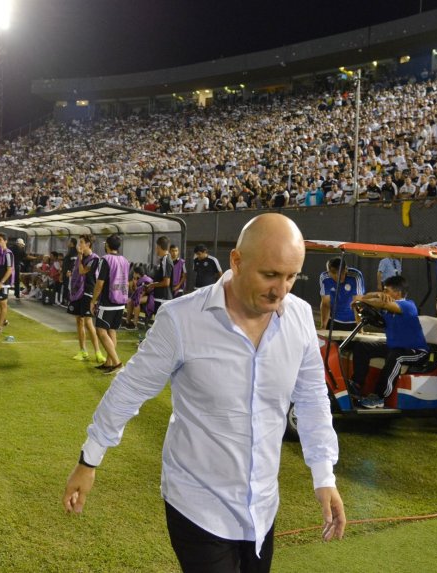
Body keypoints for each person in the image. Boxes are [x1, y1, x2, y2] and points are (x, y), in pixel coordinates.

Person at [63, 213, 346, 572]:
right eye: (270, 275)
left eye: (291, 277)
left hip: (262, 506)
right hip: (197, 503)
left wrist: (324, 476)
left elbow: (311, 399)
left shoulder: (300, 318)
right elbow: (130, 388)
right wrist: (89, 460)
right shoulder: (182, 319)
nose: (281, 290)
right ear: (237, 261)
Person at [350, 275, 429, 408]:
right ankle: (357, 384)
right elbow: (375, 299)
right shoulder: (388, 308)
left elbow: (381, 303)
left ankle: (379, 396)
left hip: (417, 351)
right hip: (395, 347)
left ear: (397, 293)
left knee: (396, 357)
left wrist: (362, 299)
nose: (383, 294)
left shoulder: (408, 306)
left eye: (386, 291)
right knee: (363, 346)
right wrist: (376, 295)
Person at [91, 233, 130, 375]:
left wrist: (93, 300)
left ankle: (117, 363)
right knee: (112, 331)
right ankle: (109, 363)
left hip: (108, 302)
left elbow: (100, 283)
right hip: (121, 301)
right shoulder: (125, 260)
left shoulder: (105, 260)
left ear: (107, 245)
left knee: (101, 331)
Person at [67, 234, 106, 364]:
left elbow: (83, 271)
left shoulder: (94, 259)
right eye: (79, 242)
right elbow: (77, 271)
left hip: (87, 293)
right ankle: (83, 351)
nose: (80, 245)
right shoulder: (81, 257)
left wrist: (79, 256)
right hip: (77, 291)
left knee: (89, 323)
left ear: (88, 244)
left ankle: (98, 352)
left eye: (82, 242)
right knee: (79, 321)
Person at [319, 257, 365, 331]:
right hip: (333, 321)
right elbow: (325, 304)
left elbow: (358, 304)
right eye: (334, 274)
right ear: (329, 272)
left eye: (341, 274)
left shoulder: (356, 276)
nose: (338, 277)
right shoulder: (325, 277)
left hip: (353, 322)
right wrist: (323, 326)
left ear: (346, 269)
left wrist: (360, 329)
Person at [146, 235, 174, 305]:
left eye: (156, 247)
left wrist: (152, 285)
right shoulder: (164, 259)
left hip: (163, 299)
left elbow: (166, 283)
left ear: (159, 247)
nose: (156, 249)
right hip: (160, 298)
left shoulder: (166, 260)